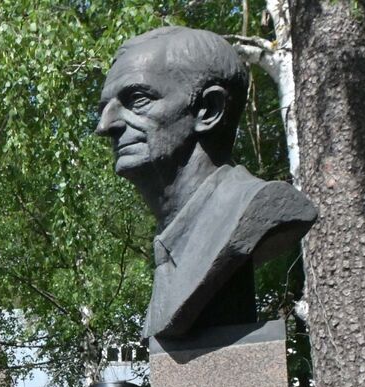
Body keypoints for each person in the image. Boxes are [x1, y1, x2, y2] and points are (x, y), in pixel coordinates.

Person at [96, 26, 316, 340]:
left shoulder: (251, 209)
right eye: (102, 109)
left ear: (208, 110)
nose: (105, 125)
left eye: (137, 99)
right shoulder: (169, 244)